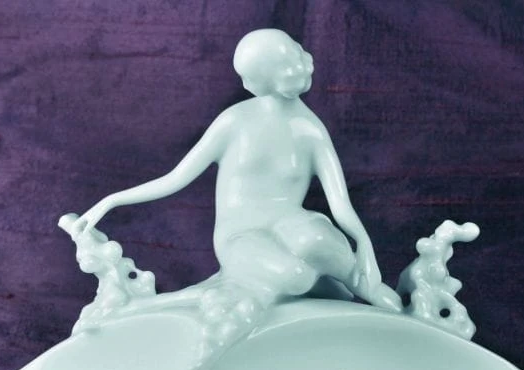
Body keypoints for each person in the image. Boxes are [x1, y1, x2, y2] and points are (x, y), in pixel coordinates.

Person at [76, 29, 401, 347]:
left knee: (315, 238)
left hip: (292, 221)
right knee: (295, 275)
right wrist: (110, 201)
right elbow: (176, 179)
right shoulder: (234, 122)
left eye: (293, 54)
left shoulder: (310, 129)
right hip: (241, 234)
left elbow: (340, 203)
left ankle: (368, 292)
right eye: (281, 64)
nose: (296, 67)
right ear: (254, 81)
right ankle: (307, 285)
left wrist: (364, 245)